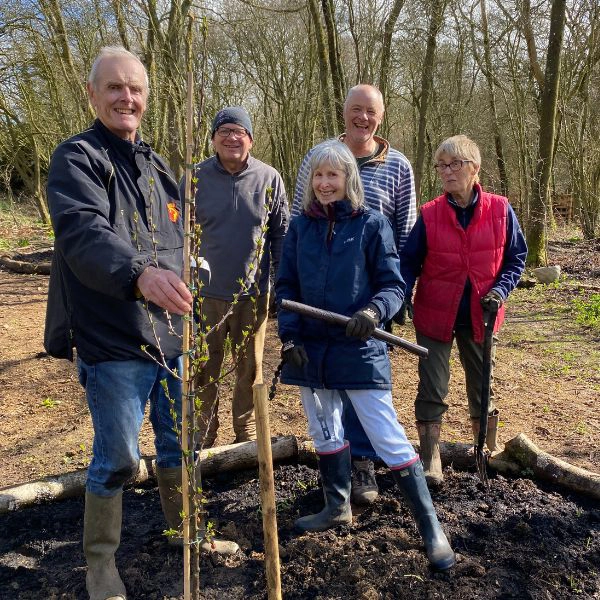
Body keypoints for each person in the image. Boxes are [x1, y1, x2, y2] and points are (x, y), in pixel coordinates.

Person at [43, 46, 233, 600]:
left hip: (170, 338)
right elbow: (82, 234)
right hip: (113, 340)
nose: (127, 98)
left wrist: (186, 266)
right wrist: (139, 273)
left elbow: (174, 238)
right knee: (119, 457)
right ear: (93, 93)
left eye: (135, 89)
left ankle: (187, 533)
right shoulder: (77, 159)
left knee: (179, 444)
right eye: (114, 88)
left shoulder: (155, 167)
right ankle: (101, 562)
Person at [276, 139, 455, 572]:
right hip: (312, 353)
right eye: (318, 175)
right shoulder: (300, 228)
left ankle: (431, 528)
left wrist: (373, 312)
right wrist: (289, 340)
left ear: (348, 180)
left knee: (385, 434)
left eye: (332, 175)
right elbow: (286, 289)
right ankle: (336, 507)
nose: (324, 183)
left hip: (359, 349)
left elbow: (393, 285)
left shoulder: (372, 225)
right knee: (325, 430)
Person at [291, 84, 417, 505]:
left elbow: (403, 233)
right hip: (318, 302)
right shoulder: (317, 155)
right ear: (344, 112)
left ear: (380, 117)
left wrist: (385, 305)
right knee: (326, 401)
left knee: (366, 391)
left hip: (369, 297)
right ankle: (337, 492)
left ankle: (364, 464)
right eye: (356, 110)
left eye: (371, 112)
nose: (363, 118)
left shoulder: (398, 166)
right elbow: (299, 222)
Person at [401, 134, 527, 487]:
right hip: (435, 313)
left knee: (482, 385)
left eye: (454, 164)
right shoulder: (429, 214)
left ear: (475, 168)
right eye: (442, 165)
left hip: (482, 316)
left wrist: (500, 291)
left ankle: (483, 451)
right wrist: (399, 297)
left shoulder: (501, 209)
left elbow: (516, 258)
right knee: (432, 386)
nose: (446, 171)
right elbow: (409, 263)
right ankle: (430, 458)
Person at [191, 106, 288, 449]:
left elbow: (280, 235)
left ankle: (246, 433)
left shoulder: (269, 178)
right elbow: (181, 233)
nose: (232, 137)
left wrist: (280, 283)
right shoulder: (195, 178)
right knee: (205, 367)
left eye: (239, 131)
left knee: (250, 368)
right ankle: (204, 432)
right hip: (206, 295)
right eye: (224, 131)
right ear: (214, 139)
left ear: (250, 138)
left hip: (253, 293)